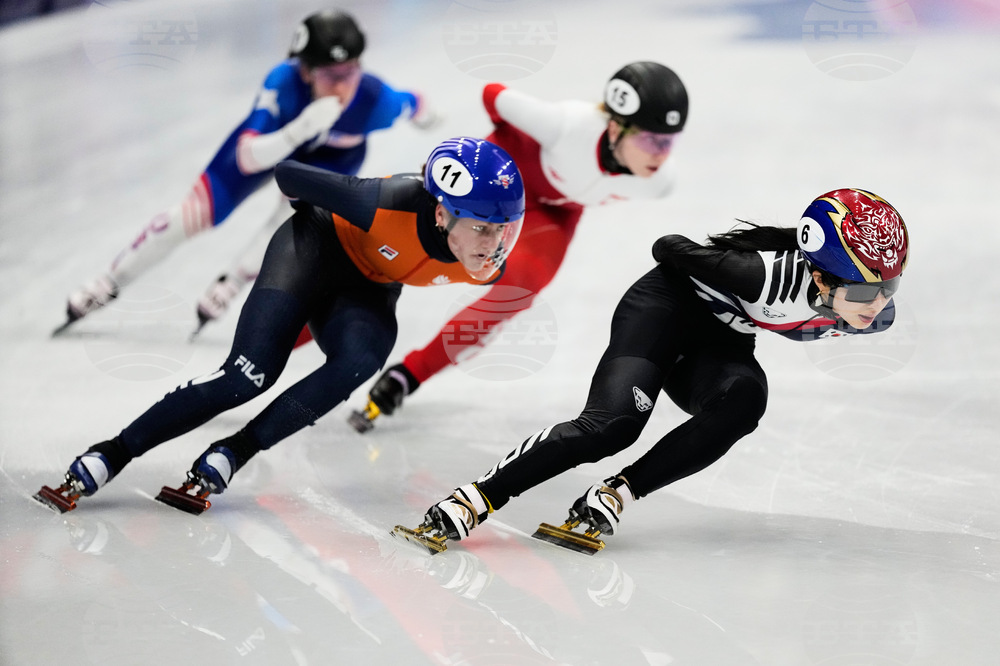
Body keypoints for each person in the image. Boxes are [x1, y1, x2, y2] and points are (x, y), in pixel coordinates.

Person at [394, 188, 909, 554]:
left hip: (719, 342)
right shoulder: (759, 276)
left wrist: (868, 295)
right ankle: (474, 499)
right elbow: (667, 247)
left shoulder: (871, 314)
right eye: (866, 290)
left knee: (745, 400)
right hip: (662, 312)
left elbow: (860, 303)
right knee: (613, 426)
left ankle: (613, 494)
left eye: (890, 286)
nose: (878, 305)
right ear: (819, 277)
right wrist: (722, 259)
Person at [34, 137, 525, 514]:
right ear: (441, 214)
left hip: (367, 288)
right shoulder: (384, 201)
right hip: (312, 249)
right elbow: (289, 174)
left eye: (504, 228)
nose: (495, 244)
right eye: (483, 228)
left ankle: (234, 451)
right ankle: (113, 452)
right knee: (248, 376)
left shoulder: (487, 262)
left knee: (360, 360)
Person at [347, 61, 689, 431]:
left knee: (517, 292)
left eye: (669, 142)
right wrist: (493, 154)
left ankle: (408, 374)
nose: (661, 154)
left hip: (556, 212)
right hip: (496, 188)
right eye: (652, 140)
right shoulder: (566, 126)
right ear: (615, 127)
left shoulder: (660, 181)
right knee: (417, 251)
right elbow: (492, 94)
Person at [59, 10, 438, 335]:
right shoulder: (283, 83)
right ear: (305, 71)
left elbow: (416, 103)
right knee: (191, 215)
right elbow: (246, 158)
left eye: (349, 71)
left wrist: (431, 117)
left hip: (331, 161)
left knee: (289, 221)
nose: (341, 85)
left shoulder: (376, 102)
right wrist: (302, 127)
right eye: (329, 74)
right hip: (269, 146)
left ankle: (232, 282)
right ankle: (107, 282)